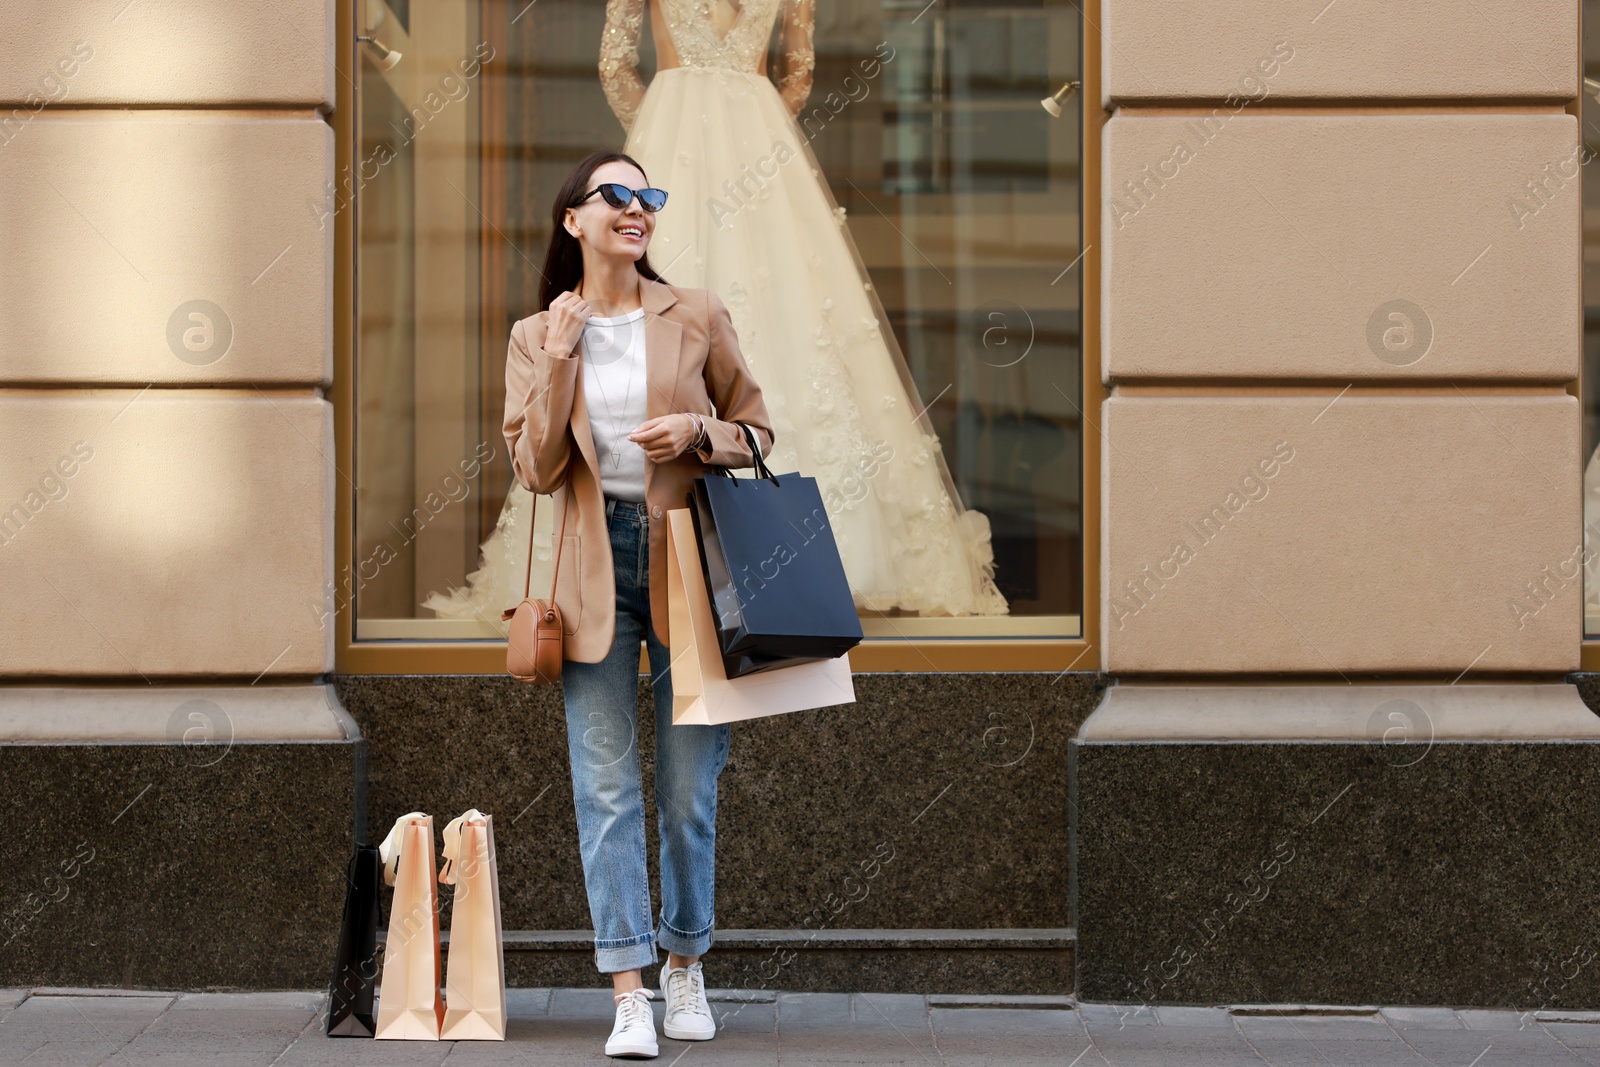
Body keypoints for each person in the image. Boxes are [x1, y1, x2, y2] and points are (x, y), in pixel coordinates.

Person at [503, 149, 773, 1058]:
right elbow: (536, 467)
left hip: (688, 559)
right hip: (592, 573)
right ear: (573, 219)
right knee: (607, 786)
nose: (636, 208)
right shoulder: (536, 332)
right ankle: (629, 990)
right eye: (615, 195)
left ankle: (686, 965)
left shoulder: (693, 314)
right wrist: (560, 351)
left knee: (690, 789)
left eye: (647, 195)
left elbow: (759, 432)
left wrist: (697, 430)